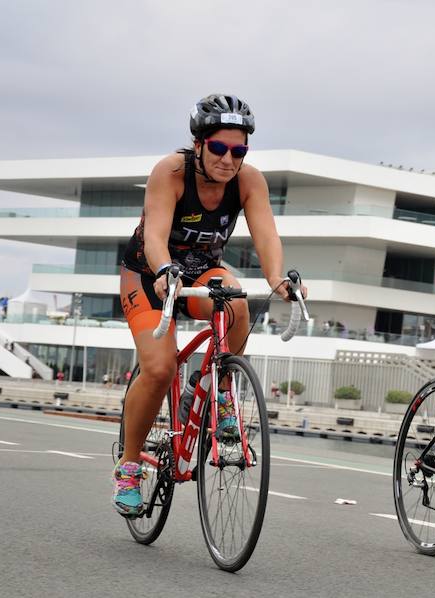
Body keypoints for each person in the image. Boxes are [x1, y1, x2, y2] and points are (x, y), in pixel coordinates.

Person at [112, 94, 307, 517]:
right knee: (160, 368)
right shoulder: (171, 171)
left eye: (238, 150)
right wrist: (164, 269)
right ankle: (129, 466)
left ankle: (214, 390)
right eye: (219, 148)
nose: (228, 159)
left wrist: (277, 278)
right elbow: (156, 235)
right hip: (149, 274)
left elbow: (266, 235)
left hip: (200, 271)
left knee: (235, 300)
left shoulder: (249, 180)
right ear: (198, 144)